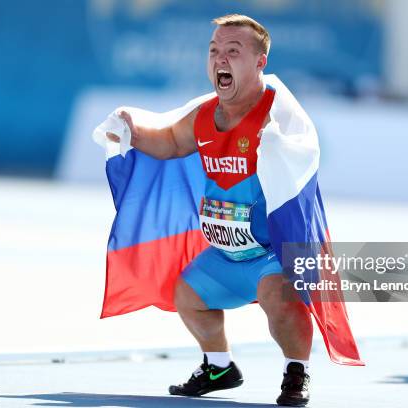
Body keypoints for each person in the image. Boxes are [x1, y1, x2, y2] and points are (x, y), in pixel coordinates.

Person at [99, 14, 362, 407]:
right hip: (227, 254)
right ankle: (219, 367)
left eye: (233, 51)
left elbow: (303, 154)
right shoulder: (206, 115)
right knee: (187, 295)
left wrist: (278, 145)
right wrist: (132, 132)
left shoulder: (279, 116)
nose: (220, 59)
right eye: (214, 51)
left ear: (260, 62)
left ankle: (297, 371)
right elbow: (170, 142)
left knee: (278, 295)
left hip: (273, 255)